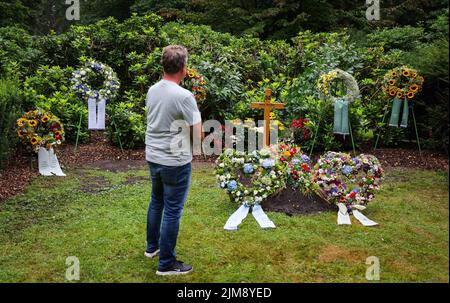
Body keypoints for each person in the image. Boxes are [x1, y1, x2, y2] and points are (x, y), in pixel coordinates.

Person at [144, 45, 202, 276]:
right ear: (184, 68)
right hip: (174, 161)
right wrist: (195, 149)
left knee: (157, 201)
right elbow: (197, 132)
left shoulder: (152, 90)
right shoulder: (184, 96)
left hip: (153, 156)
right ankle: (166, 264)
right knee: (172, 210)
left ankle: (152, 248)